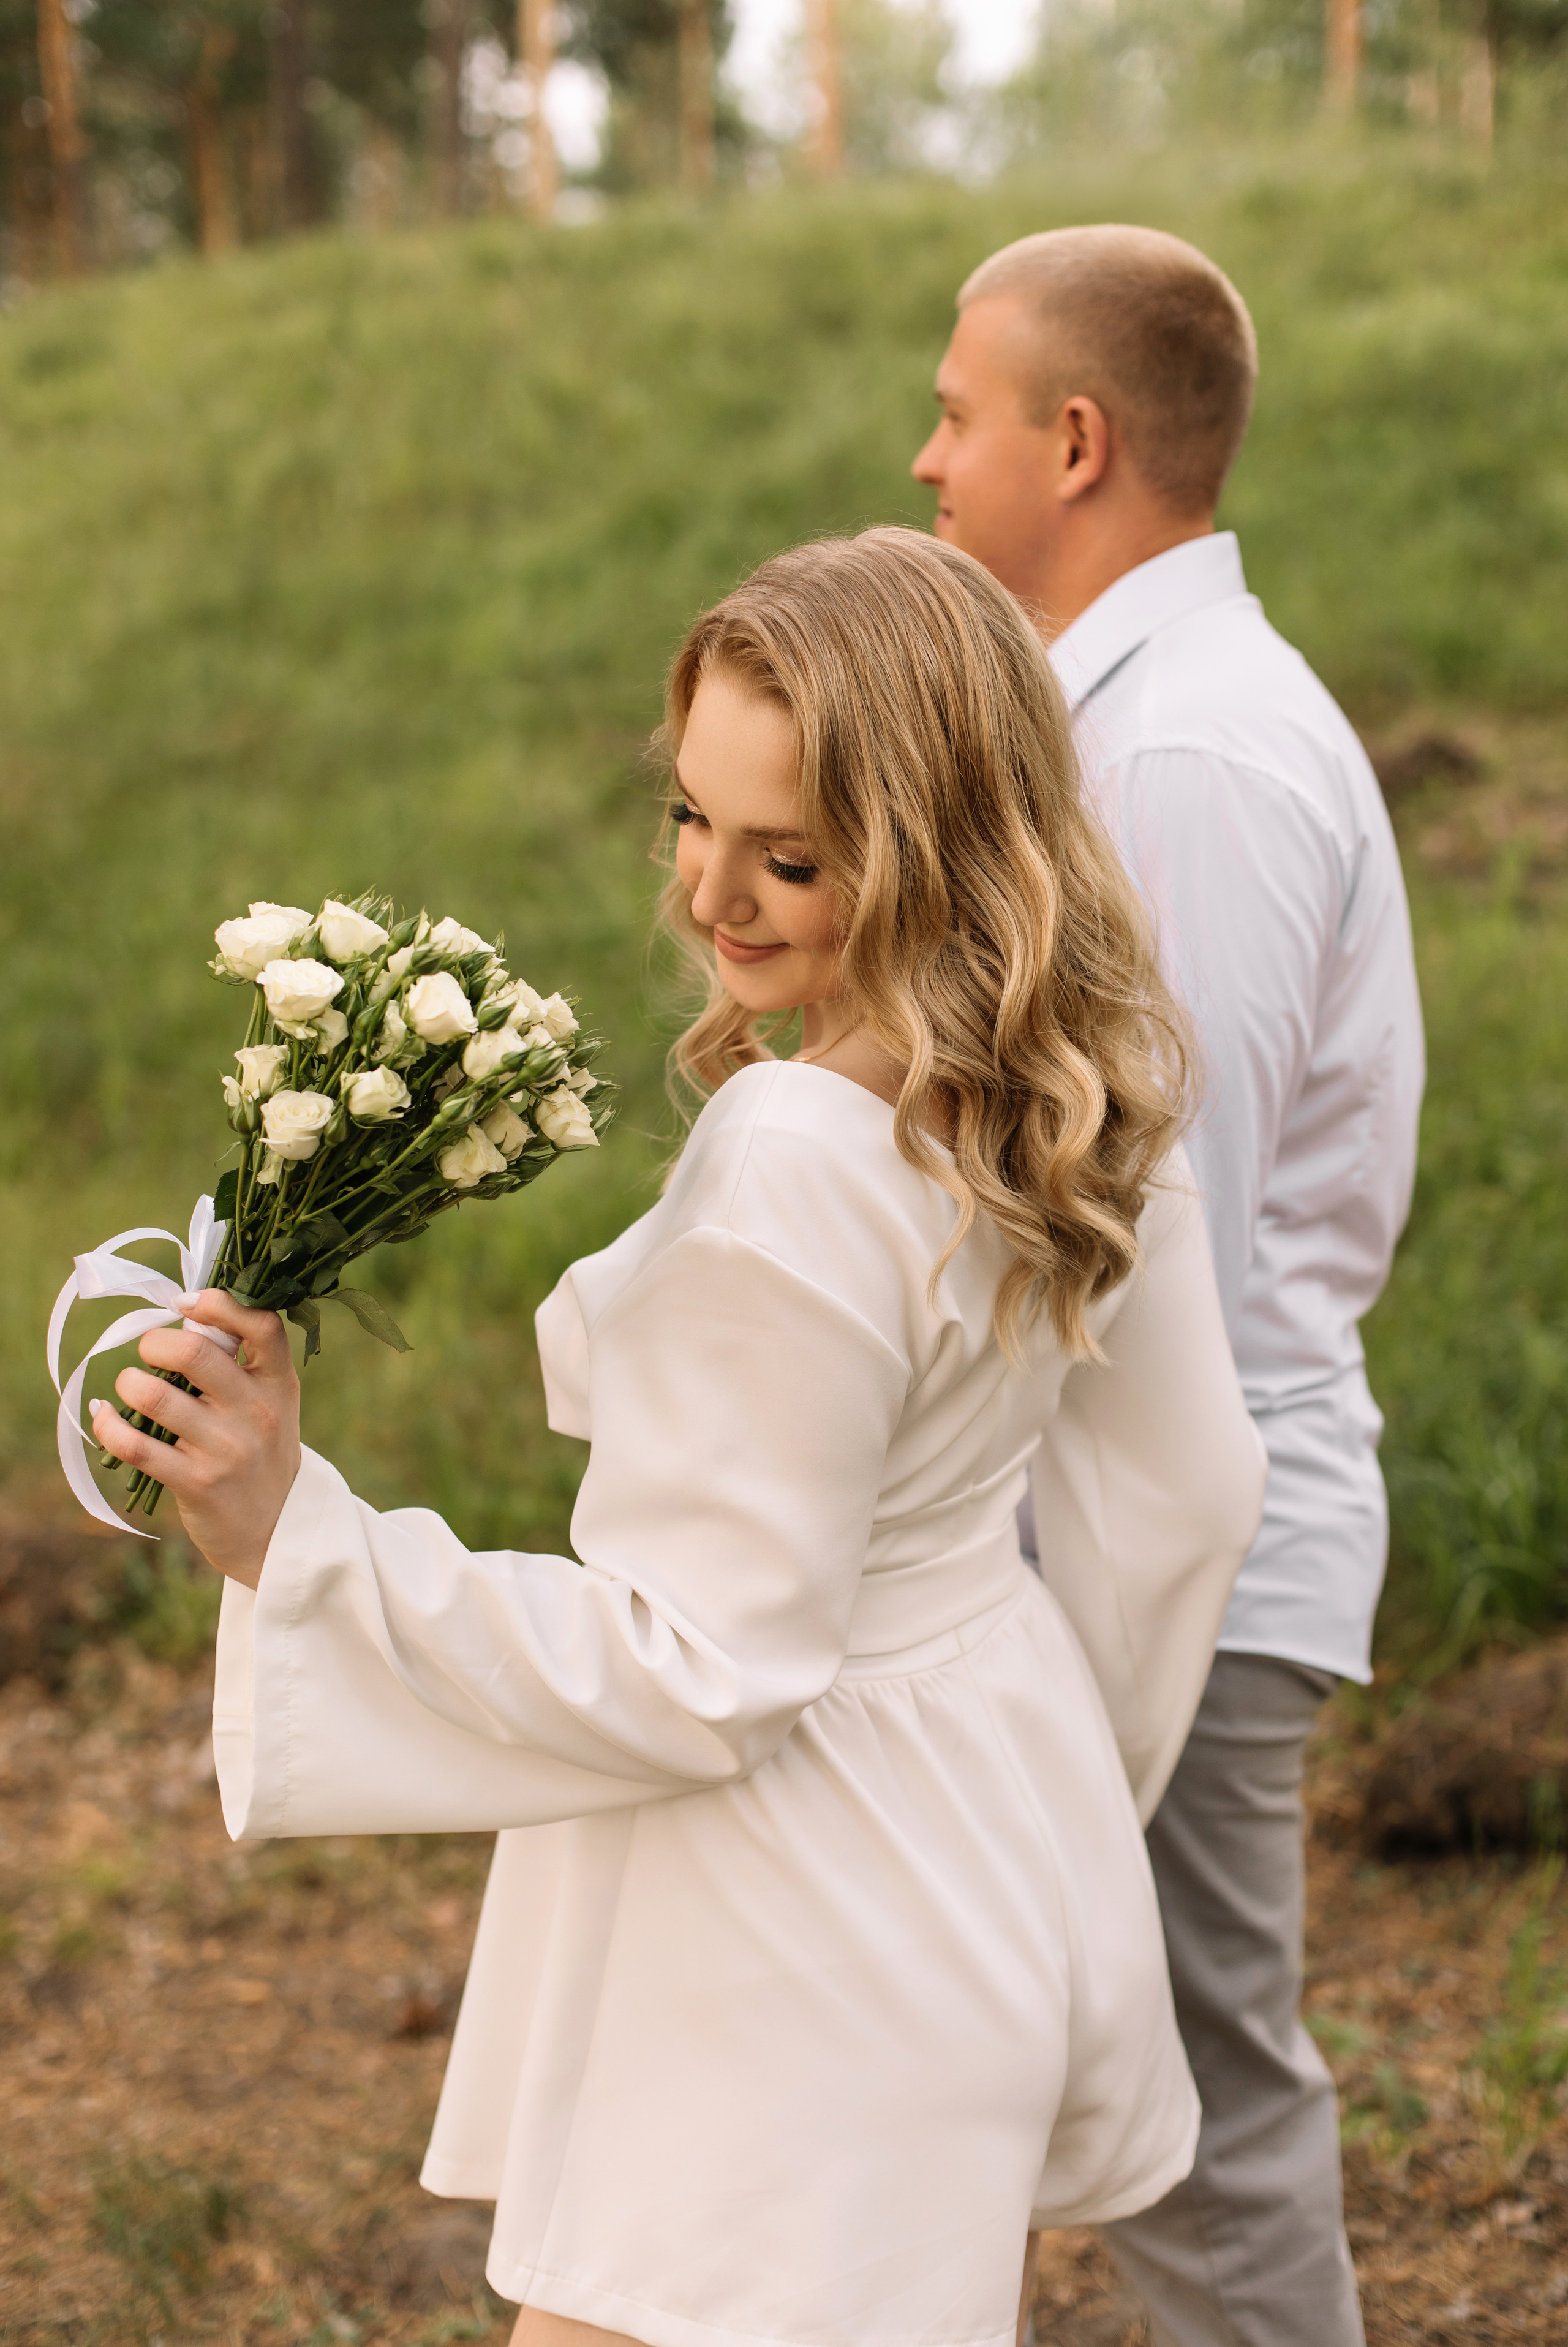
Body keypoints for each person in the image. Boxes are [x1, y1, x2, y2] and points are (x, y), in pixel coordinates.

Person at [93, 527, 1265, 2347]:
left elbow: (701, 1668)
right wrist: (1047, 1792)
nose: (713, 894)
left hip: (784, 1935)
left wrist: (296, 1541)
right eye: (691, 821)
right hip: (976, 1855)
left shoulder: (799, 1163)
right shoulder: (1094, 1075)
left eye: (789, 854)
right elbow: (1190, 1496)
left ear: (940, 841)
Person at [912, 229, 1424, 2347]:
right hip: (1112, 1541)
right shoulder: (1121, 721)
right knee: (1054, 2085)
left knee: (1200, 2121)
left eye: (958, 413)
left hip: (1176, 1557)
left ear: (1080, 438)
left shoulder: (1188, 762)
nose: (927, 461)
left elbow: (1147, 1241)